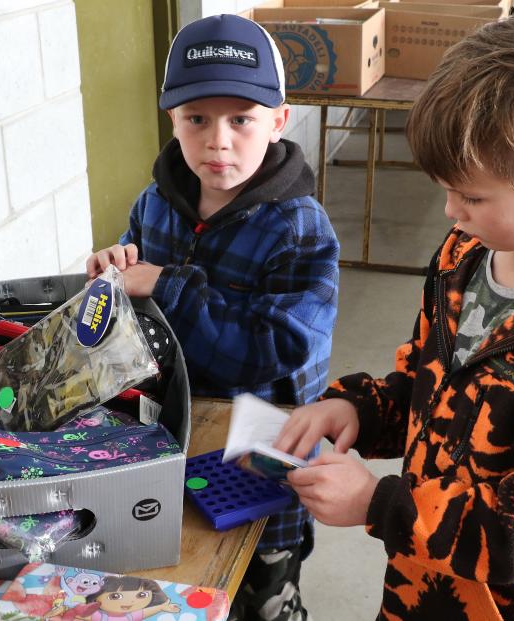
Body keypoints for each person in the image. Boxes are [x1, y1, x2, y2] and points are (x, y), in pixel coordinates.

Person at [275, 16, 514, 621]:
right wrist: (359, 409)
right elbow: (431, 390)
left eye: (472, 196)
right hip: (423, 582)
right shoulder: (467, 257)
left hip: (509, 606)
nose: (450, 210)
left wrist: (381, 506)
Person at [86, 13, 339, 621]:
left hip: (262, 460)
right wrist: (113, 269)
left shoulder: (299, 228)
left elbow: (275, 347)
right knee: (184, 579)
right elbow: (134, 290)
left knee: (262, 591)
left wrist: (167, 287)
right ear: (171, 119)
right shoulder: (155, 203)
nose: (217, 140)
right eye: (196, 118)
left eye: (241, 120)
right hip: (176, 432)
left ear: (278, 121)